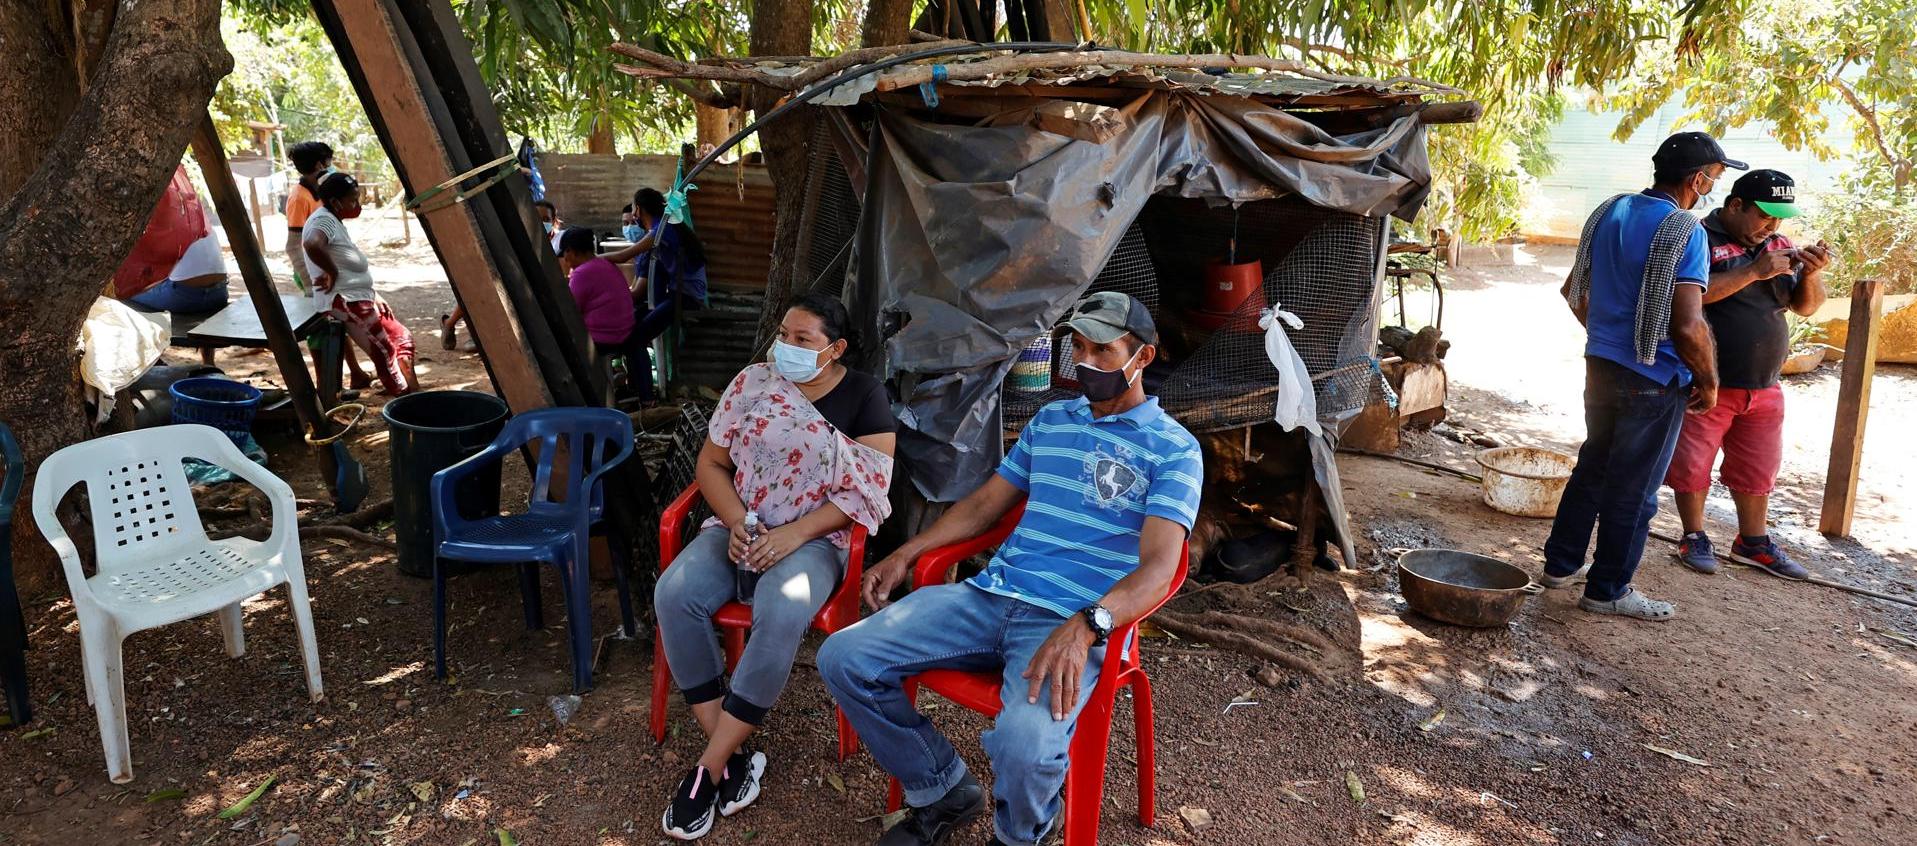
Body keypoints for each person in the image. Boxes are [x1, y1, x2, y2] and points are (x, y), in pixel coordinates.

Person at [817, 292, 1200, 846]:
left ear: (1143, 357)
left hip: (1072, 620)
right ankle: (943, 788)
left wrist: (1090, 623)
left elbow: (1160, 569)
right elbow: (982, 506)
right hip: (991, 595)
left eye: (1104, 351)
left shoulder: (1173, 449)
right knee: (844, 657)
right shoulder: (1051, 421)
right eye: (1079, 347)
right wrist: (906, 553)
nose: (1087, 362)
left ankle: (1024, 833)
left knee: (1025, 743)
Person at [654, 293, 896, 840]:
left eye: (802, 339)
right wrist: (739, 520)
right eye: (783, 334)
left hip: (814, 537)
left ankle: (707, 769)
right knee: (675, 594)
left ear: (834, 349)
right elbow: (712, 464)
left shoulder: (864, 395)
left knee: (780, 605)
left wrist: (793, 534)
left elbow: (870, 487)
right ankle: (732, 759)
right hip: (742, 526)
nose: (785, 347)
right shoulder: (752, 383)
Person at [1545, 131, 1743, 622]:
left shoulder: (1610, 211)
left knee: (1594, 466)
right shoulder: (1684, 231)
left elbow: (1574, 289)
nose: (1712, 187)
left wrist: (1609, 339)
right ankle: (1608, 589)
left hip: (1602, 366)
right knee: (1634, 490)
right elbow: (1688, 323)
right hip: (1652, 378)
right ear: (1697, 179)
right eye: (1714, 179)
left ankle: (1559, 565)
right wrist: (1710, 379)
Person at [1666, 170, 1829, 579]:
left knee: (1758, 468)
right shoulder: (1699, 237)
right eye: (1764, 215)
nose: (1772, 226)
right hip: (1708, 383)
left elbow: (1805, 307)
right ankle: (1694, 535)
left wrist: (1809, 274)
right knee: (1692, 465)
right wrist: (1754, 271)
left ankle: (1752, 542)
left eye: (1779, 219)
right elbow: (1690, 297)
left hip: (1764, 385)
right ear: (1735, 205)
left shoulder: (1778, 245)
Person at [302, 172, 418, 396]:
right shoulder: (323, 220)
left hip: (360, 296)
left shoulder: (333, 219)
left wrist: (373, 294)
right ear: (336, 202)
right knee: (385, 352)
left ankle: (412, 390)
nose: (357, 204)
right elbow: (312, 244)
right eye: (352, 200)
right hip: (345, 300)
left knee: (402, 337)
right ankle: (405, 400)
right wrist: (331, 271)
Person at [601, 187, 709, 400]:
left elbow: (624, 256)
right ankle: (640, 391)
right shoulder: (666, 226)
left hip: (685, 298)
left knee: (636, 339)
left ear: (638, 209)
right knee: (631, 330)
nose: (633, 216)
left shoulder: (661, 230)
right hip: (677, 294)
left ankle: (646, 397)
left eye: (633, 209)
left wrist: (591, 259)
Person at [124, 216, 230, 315]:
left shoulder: (161, 222)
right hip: (220, 293)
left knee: (124, 291)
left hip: (182, 298)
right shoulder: (199, 216)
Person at [557, 227, 635, 356]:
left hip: (603, 338)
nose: (565, 259)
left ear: (571, 251)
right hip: (624, 333)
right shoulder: (605, 264)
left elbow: (571, 311)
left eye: (565, 253)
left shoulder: (582, 273)